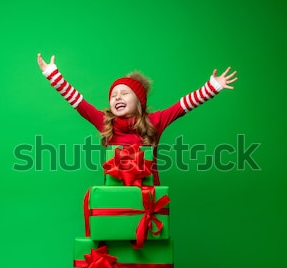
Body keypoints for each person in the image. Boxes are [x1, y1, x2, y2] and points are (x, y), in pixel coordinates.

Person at [37, 53, 238, 184]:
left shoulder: (155, 121)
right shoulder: (106, 123)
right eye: (114, 95)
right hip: (114, 200)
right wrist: (53, 76)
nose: (117, 98)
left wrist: (212, 87)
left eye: (124, 93)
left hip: (149, 198)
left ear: (139, 102)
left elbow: (182, 106)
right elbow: (78, 102)